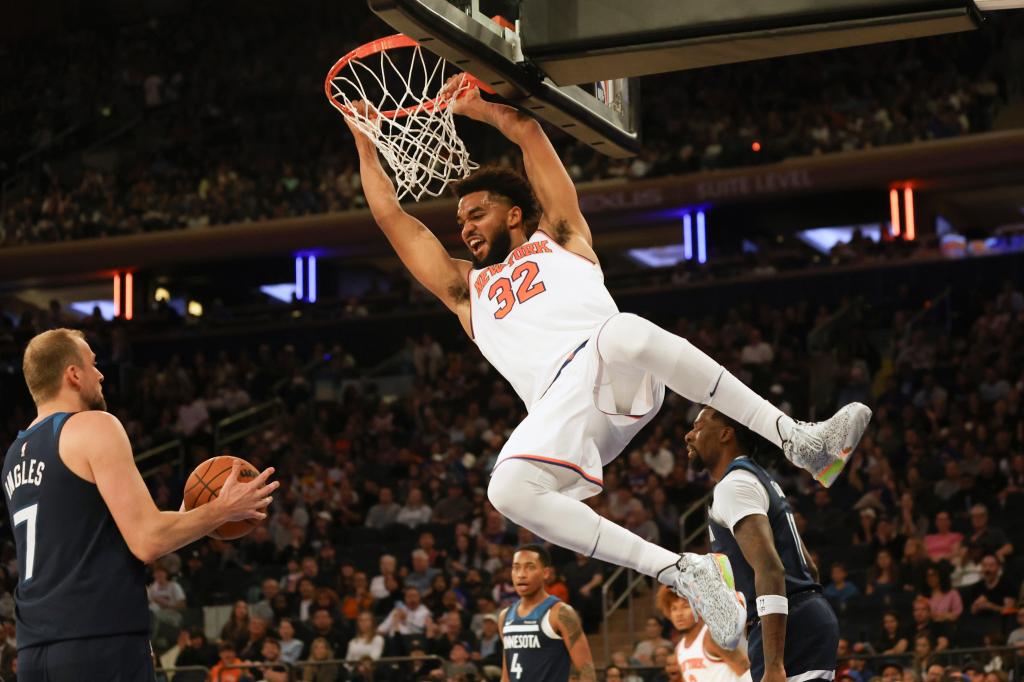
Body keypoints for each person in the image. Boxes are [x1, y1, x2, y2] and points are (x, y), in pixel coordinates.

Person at [347, 77, 871, 649]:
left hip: (614, 369)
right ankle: (684, 572)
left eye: (477, 214)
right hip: (561, 410)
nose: (465, 228)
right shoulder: (465, 291)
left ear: (516, 214)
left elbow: (526, 130)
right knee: (506, 488)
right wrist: (366, 140)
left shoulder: (562, 236)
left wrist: (481, 109)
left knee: (622, 331)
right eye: (460, 222)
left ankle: (800, 441)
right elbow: (392, 219)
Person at [4, 329, 279, 681]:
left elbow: (93, 540)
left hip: (34, 651)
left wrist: (186, 516)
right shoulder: (94, 426)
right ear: (73, 374)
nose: (101, 374)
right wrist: (221, 510)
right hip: (98, 642)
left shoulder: (15, 454)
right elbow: (148, 540)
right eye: (93, 364)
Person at [685, 406, 840, 682]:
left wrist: (774, 664)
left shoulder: (734, 485)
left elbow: (770, 569)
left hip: (790, 629)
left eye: (697, 427)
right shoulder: (756, 478)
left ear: (725, 434)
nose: (688, 435)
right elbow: (809, 567)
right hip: (801, 619)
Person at [498, 544, 595, 681]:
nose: (521, 574)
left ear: (546, 573)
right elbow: (506, 676)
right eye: (516, 568)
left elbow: (587, 672)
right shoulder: (505, 617)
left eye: (530, 567)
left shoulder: (561, 613)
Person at [657, 586, 752, 682]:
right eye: (674, 608)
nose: (679, 614)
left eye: (685, 607)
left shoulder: (713, 636)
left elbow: (745, 670)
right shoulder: (679, 649)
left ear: (699, 608)